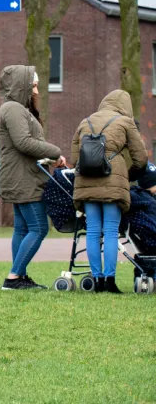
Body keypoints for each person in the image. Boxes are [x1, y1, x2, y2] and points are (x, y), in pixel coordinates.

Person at [69, 90, 149, 294]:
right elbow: (141, 158)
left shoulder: (84, 121)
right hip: (113, 182)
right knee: (111, 231)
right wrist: (127, 176)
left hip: (86, 182)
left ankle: (96, 280)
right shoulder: (125, 122)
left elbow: (74, 159)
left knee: (93, 231)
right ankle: (109, 281)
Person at [0, 65, 66, 291]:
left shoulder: (14, 108)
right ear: (20, 86)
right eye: (32, 85)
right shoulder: (13, 109)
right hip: (23, 178)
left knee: (22, 228)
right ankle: (14, 277)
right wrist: (55, 152)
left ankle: (20, 277)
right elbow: (23, 142)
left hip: (21, 175)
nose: (36, 91)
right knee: (39, 228)